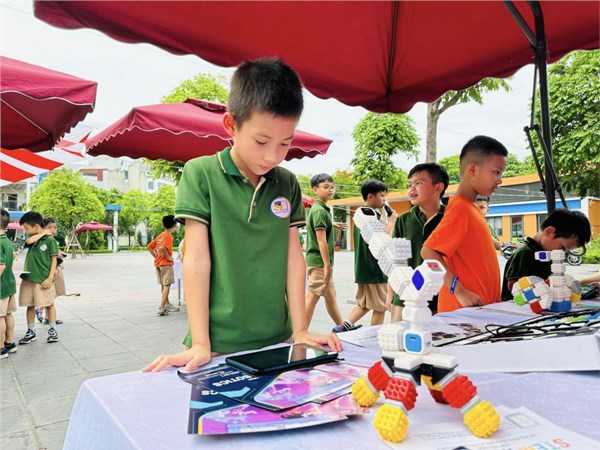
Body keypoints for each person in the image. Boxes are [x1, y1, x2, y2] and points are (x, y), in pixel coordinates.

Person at [143, 58, 341, 373]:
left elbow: (293, 257)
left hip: (279, 340)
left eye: (285, 144)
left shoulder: (287, 182)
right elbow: (196, 258)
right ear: (231, 125)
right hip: (217, 345)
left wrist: (300, 330)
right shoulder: (201, 173)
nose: (272, 156)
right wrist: (201, 343)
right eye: (261, 141)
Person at [421, 135, 508, 313]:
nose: (499, 180)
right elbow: (428, 252)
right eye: (496, 172)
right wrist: (458, 289)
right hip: (463, 315)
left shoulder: (472, 209)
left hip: (479, 313)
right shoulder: (460, 208)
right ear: (473, 169)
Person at [387, 163, 449, 320]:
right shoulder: (404, 220)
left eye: (418, 183)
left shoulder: (451, 218)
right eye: (410, 185)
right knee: (400, 335)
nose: (411, 189)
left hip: (441, 301)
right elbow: (395, 261)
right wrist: (390, 292)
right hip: (405, 298)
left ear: (438, 187)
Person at [334, 179, 391, 332]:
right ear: (371, 196)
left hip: (364, 269)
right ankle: (374, 336)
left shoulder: (362, 214)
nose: (384, 199)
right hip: (375, 269)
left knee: (365, 303)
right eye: (381, 195)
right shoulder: (370, 216)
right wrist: (390, 221)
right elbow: (383, 239)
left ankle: (342, 327)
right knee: (380, 306)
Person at [501, 209, 591, 300]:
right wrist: (543, 290)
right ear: (549, 232)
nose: (563, 253)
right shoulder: (525, 252)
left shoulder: (548, 253)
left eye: (567, 251)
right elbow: (513, 286)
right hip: (516, 304)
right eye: (562, 247)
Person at [305, 173, 344, 328]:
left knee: (330, 296)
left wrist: (332, 224)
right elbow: (321, 240)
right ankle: (299, 333)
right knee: (312, 297)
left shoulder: (320, 208)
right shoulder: (319, 211)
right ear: (315, 189)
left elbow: (322, 224)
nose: (330, 190)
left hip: (320, 262)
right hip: (319, 262)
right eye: (326, 187)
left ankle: (341, 327)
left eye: (332, 187)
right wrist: (327, 265)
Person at [17, 211, 59, 344]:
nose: (25, 231)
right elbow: (28, 241)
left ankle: (52, 330)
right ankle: (31, 331)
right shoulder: (33, 238)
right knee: (30, 305)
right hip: (29, 278)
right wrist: (44, 232)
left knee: (49, 304)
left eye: (26, 228)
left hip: (43, 279)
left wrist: (50, 278)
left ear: (35, 226)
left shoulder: (50, 240)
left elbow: (54, 260)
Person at [27, 218, 66, 325]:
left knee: (52, 295)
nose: (53, 230)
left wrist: (60, 258)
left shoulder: (52, 240)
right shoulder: (39, 239)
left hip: (55, 271)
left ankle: (48, 317)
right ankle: (41, 311)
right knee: (48, 295)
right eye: (49, 227)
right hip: (48, 273)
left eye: (54, 227)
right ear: (42, 228)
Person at [147, 215, 179, 316]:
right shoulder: (168, 236)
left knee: (163, 285)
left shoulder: (161, 235)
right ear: (174, 225)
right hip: (166, 264)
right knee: (167, 285)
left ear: (163, 225)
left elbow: (149, 247)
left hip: (158, 264)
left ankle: (166, 304)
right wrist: (168, 257)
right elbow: (163, 248)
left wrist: (156, 257)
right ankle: (161, 307)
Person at [0, 209, 17, 359]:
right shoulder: (6, 240)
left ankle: (0, 348)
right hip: (9, 284)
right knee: (7, 314)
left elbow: (1, 266)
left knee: (0, 317)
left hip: (1, 286)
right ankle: (9, 343)